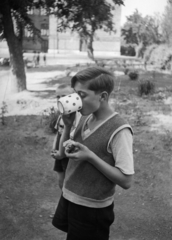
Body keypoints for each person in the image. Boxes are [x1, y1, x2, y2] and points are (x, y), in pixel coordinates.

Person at [52, 67, 135, 240]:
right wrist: (67, 126)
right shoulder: (84, 117)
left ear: (103, 97)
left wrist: (90, 156)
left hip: (92, 209)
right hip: (72, 196)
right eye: (74, 93)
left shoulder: (119, 130)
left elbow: (126, 181)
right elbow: (65, 154)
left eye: (81, 95)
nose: (75, 100)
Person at [51, 83, 81, 189]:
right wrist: (54, 149)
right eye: (58, 97)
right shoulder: (62, 115)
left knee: (69, 183)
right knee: (61, 180)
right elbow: (58, 134)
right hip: (60, 153)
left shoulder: (78, 116)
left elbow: (73, 138)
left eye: (63, 96)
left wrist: (61, 153)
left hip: (68, 154)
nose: (60, 99)